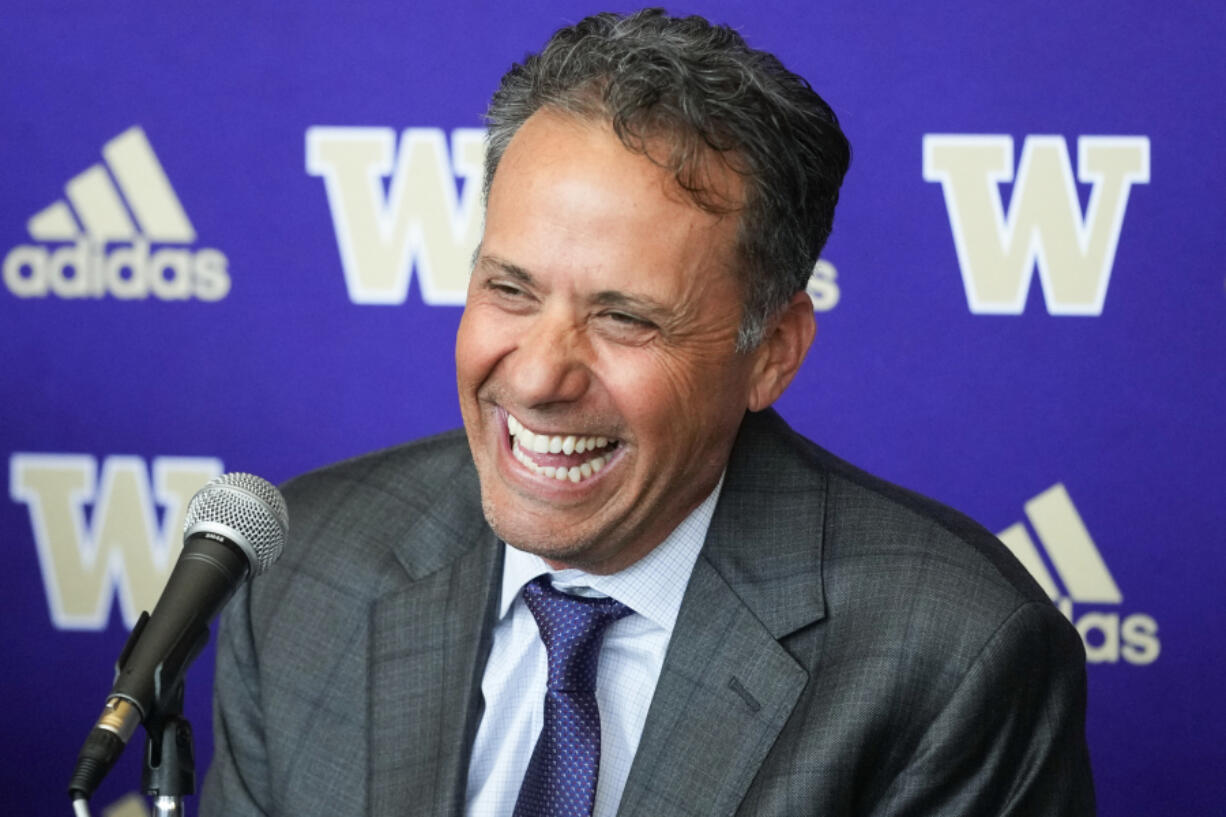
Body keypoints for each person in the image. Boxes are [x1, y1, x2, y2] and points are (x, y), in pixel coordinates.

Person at [202, 9, 1095, 816]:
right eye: (510, 289)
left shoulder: (953, 655)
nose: (541, 375)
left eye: (624, 317)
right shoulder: (304, 571)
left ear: (772, 352)